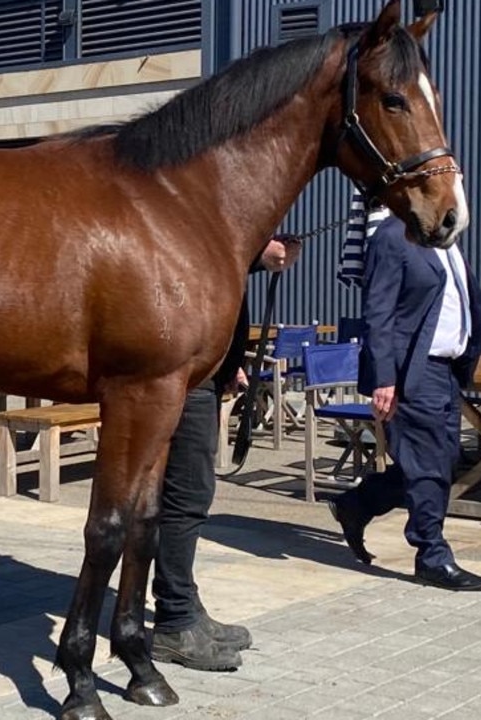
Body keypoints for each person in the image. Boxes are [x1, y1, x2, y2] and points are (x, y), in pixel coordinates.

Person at [327, 214, 481, 591]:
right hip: (412, 370)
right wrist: (385, 378)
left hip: (448, 369)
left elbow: (466, 296)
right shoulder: (393, 237)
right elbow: (378, 312)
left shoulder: (445, 238)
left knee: (444, 459)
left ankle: (358, 504)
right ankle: (432, 556)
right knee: (428, 464)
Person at [151, 235, 302, 671]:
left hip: (205, 368)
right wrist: (257, 257)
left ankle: (184, 605)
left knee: (193, 492)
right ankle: (174, 620)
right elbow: (194, 258)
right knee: (186, 493)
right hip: (187, 373)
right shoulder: (190, 208)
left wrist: (230, 355)